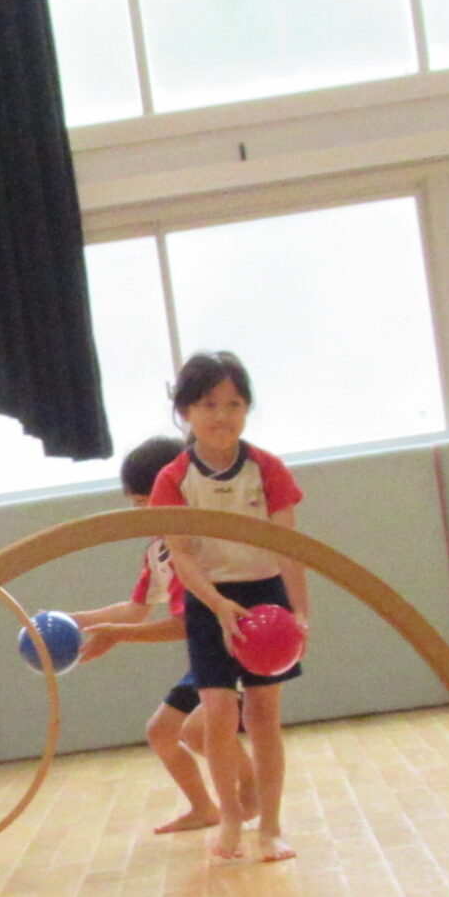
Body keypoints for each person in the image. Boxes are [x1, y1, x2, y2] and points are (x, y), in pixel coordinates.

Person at [151, 351, 307, 864]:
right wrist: (217, 605)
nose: (222, 415)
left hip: (266, 599)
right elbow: (182, 556)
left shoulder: (267, 469)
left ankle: (272, 827)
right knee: (219, 714)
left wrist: (299, 613)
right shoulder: (174, 478)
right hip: (209, 603)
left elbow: (290, 547)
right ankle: (232, 820)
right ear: (186, 413)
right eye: (209, 404)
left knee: (264, 715)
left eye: (234, 404)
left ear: (247, 409)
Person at [68, 434, 257, 835]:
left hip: (238, 648)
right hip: (206, 656)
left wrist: (119, 635)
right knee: (162, 732)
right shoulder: (158, 551)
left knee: (197, 732)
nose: (140, 515)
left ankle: (251, 780)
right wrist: (74, 620)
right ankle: (203, 808)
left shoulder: (198, 547)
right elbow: (136, 609)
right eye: (136, 505)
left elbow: (185, 624)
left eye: (145, 503)